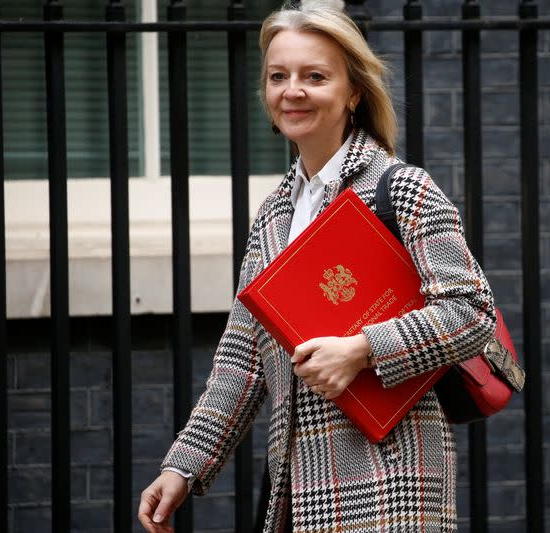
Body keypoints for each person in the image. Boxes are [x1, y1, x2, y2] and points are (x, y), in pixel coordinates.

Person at [138, 0, 495, 531]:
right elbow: (243, 356)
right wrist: (183, 468)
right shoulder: (274, 216)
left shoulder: (403, 190)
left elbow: (472, 313)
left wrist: (363, 349)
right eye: (278, 76)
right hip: (295, 492)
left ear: (353, 92)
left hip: (389, 486)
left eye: (315, 76)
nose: (292, 91)